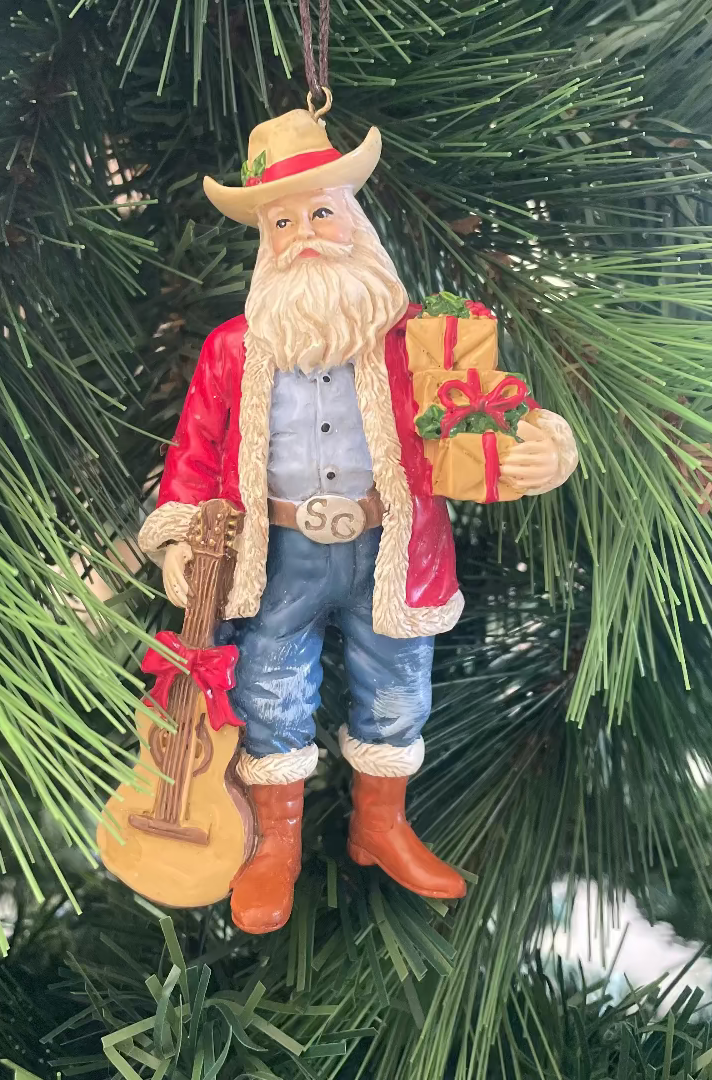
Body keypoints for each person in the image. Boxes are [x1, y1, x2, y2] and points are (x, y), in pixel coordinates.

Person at [138, 105, 578, 934]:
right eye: (282, 222)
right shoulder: (234, 349)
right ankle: (275, 842)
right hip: (279, 554)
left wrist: (542, 448)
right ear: (264, 240)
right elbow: (194, 451)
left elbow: (486, 414)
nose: (304, 235)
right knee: (269, 689)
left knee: (398, 687)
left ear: (356, 219)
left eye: (321, 213)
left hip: (392, 548)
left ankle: (382, 824)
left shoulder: (417, 339)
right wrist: (179, 538)